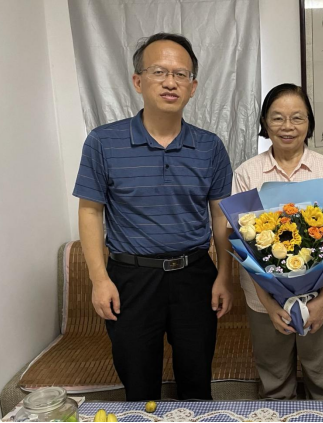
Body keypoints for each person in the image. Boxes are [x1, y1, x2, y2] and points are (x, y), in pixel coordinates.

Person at [73, 33, 233, 401]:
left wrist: (224, 275)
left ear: (193, 87)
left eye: (180, 74)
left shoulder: (210, 146)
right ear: (138, 81)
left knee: (197, 384)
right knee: (139, 387)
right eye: (159, 72)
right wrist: (99, 279)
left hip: (194, 275)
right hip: (131, 278)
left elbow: (221, 216)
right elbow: (90, 211)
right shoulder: (103, 142)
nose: (170, 82)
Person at [232, 83, 323, 400]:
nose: (287, 126)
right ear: (265, 123)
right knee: (274, 382)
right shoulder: (248, 173)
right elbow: (245, 245)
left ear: (309, 122)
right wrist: (269, 303)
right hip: (264, 300)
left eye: (297, 117)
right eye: (277, 118)